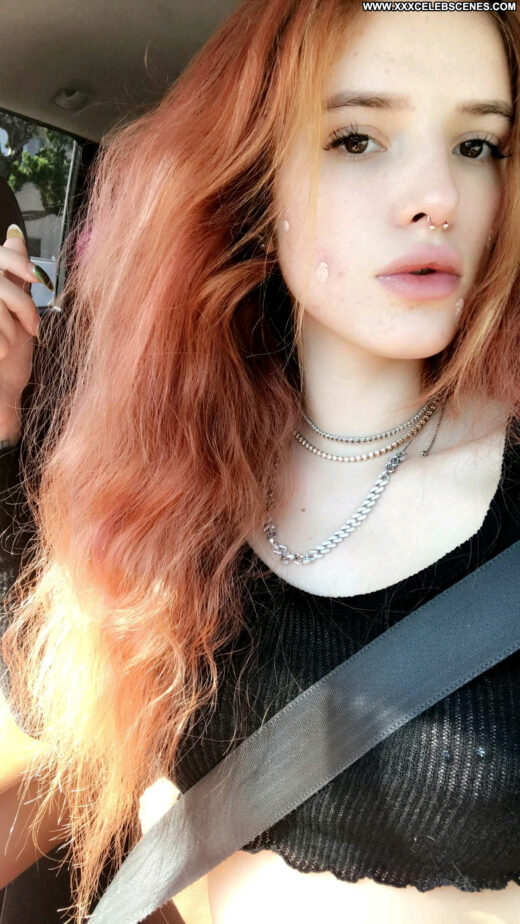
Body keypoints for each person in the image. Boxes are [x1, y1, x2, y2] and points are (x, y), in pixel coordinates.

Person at [1, 3, 520, 923]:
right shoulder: (162, 470)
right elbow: (51, 753)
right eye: (357, 139)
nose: (439, 195)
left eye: (478, 145)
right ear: (256, 180)